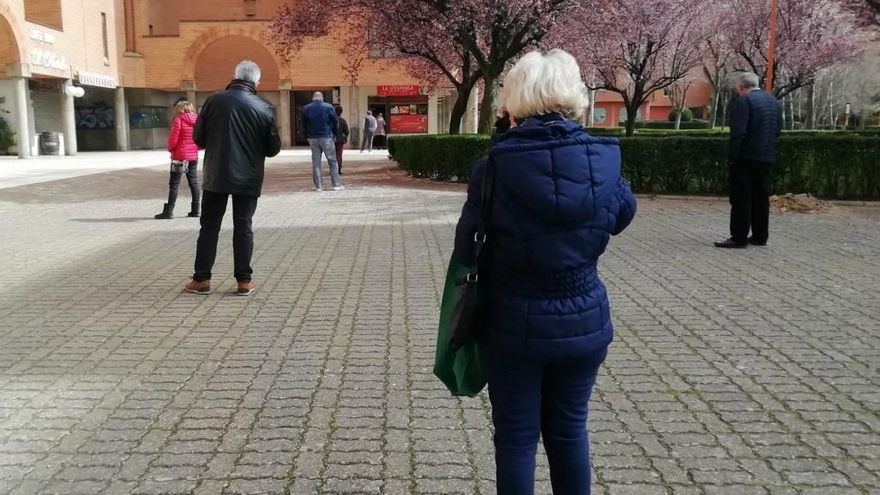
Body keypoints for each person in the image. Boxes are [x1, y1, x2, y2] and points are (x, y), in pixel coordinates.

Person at [452, 49, 636, 495]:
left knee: (517, 438)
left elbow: (466, 247)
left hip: (512, 323)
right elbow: (622, 214)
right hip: (584, 319)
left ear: (514, 100)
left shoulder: (493, 168)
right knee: (569, 430)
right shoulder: (605, 161)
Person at [184, 60, 281, 296]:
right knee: (243, 226)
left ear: (235, 76)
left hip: (216, 174)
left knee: (209, 226)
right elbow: (273, 149)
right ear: (256, 81)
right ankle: (244, 281)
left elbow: (199, 138)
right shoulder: (264, 107)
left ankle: (202, 279)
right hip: (248, 177)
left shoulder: (213, 101)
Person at [715, 72, 782, 248]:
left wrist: (732, 157)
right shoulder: (773, 101)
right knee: (761, 197)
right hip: (766, 156)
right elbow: (777, 130)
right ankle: (760, 236)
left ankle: (739, 237)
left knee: (741, 198)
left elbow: (738, 133)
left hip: (745, 158)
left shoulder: (744, 102)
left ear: (741, 87)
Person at [155, 99, 200, 219]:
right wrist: (196, 148)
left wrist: (170, 149)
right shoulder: (198, 120)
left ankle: (168, 211)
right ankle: (196, 210)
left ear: (180, 109)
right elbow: (201, 138)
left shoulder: (179, 120)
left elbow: (173, 140)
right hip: (193, 156)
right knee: (194, 183)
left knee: (174, 184)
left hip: (179, 157)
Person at [302, 92, 343, 191]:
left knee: (316, 163)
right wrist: (334, 134)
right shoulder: (328, 107)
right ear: (322, 98)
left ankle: (319, 186)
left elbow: (303, 123)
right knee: (332, 161)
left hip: (313, 138)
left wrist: (306, 135)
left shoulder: (306, 108)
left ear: (313, 98)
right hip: (327, 136)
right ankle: (336, 185)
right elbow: (335, 121)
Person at [334, 106, 350, 175]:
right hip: (340, 140)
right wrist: (345, 136)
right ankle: (339, 169)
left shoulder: (332, 120)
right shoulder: (343, 120)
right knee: (339, 154)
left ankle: (333, 169)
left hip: (332, 139)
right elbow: (347, 131)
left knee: (333, 154)